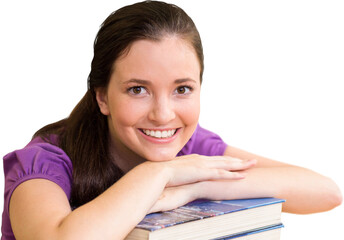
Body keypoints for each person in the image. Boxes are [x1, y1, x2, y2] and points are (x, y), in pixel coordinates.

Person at [2, 1, 342, 239]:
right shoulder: (44, 161)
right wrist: (159, 174)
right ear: (102, 96)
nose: (163, 115)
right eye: (138, 89)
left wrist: (196, 185)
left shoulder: (190, 150)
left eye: (182, 89)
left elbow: (325, 192)